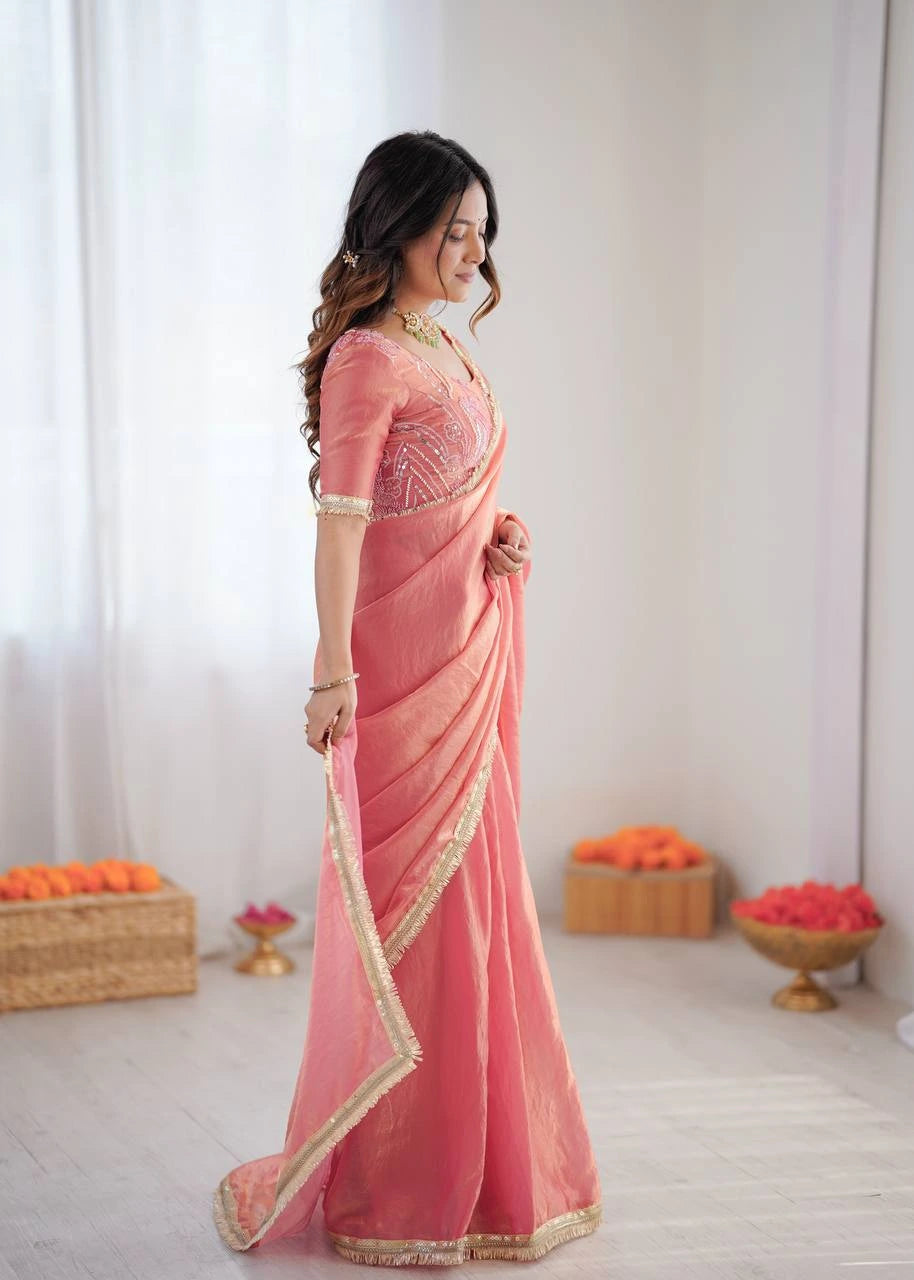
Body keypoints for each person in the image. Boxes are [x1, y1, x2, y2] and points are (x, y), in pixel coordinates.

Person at [213, 129, 602, 1266]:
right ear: (396, 226)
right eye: (452, 228)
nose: (471, 250)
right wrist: (330, 669)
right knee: (411, 928)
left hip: (467, 657)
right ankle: (399, 1180)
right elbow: (339, 532)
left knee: (479, 916)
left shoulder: (449, 345)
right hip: (394, 678)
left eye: (482, 230)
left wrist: (501, 537)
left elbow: (456, 496)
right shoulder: (366, 360)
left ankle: (487, 1171)